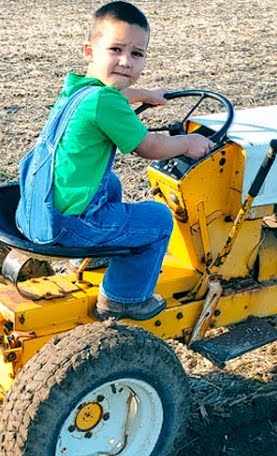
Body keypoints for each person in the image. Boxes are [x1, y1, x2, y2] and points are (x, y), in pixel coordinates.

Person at [16, 1, 214, 321]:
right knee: (159, 219)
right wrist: (188, 143)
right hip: (68, 225)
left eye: (137, 54)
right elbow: (150, 146)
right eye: (116, 49)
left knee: (111, 182)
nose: (125, 61)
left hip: (37, 209)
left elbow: (113, 98)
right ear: (90, 50)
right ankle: (124, 298)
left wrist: (146, 94)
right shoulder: (105, 102)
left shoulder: (78, 89)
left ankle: (95, 257)